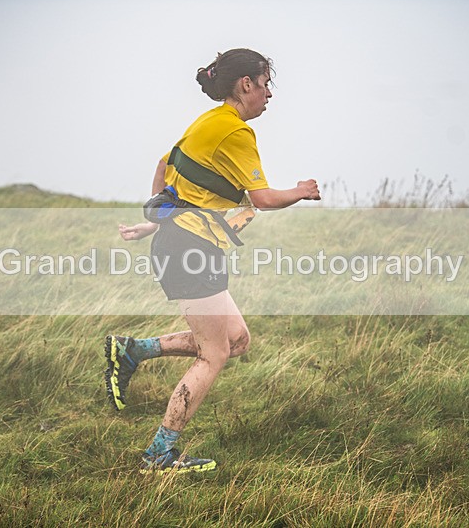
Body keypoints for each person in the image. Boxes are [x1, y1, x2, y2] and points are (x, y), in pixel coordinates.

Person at [105, 48, 321, 474]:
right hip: (190, 250)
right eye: (265, 84)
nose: (269, 94)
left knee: (236, 340)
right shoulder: (236, 133)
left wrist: (158, 224)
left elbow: (167, 166)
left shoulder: (210, 121)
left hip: (187, 244)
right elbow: (262, 199)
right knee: (214, 354)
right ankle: (158, 455)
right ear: (246, 84)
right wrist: (300, 190)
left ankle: (131, 351)